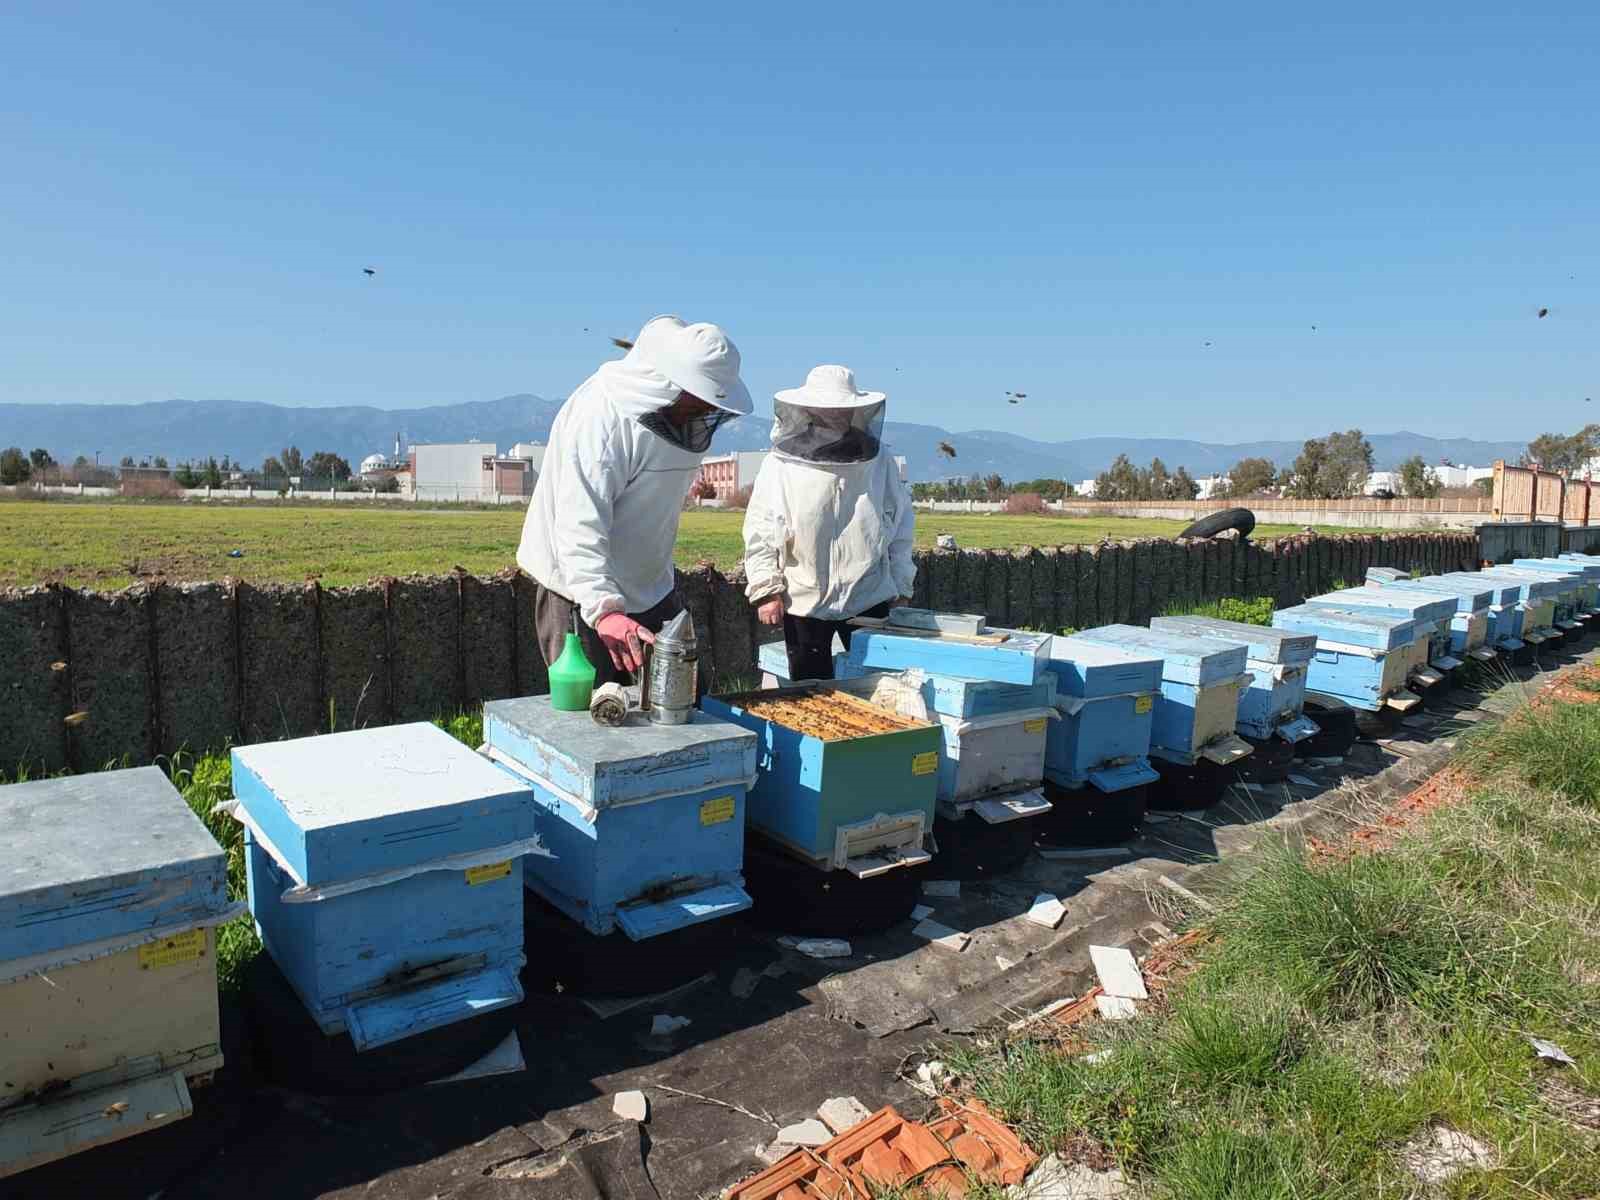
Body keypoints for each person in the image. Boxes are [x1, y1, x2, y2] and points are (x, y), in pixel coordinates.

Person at [518, 315, 751, 685]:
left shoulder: (679, 418)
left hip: (652, 588)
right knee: (596, 720)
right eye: (697, 398)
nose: (704, 410)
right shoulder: (601, 419)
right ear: (668, 383)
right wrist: (604, 610)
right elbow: (579, 521)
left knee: (683, 702)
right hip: (579, 592)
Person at [742, 365, 916, 680]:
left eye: (842, 409)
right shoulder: (780, 463)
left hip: (869, 594)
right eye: (828, 408)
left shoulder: (880, 460)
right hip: (804, 599)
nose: (835, 415)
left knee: (879, 691)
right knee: (811, 696)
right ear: (808, 409)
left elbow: (900, 524)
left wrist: (902, 583)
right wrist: (767, 590)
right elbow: (762, 528)